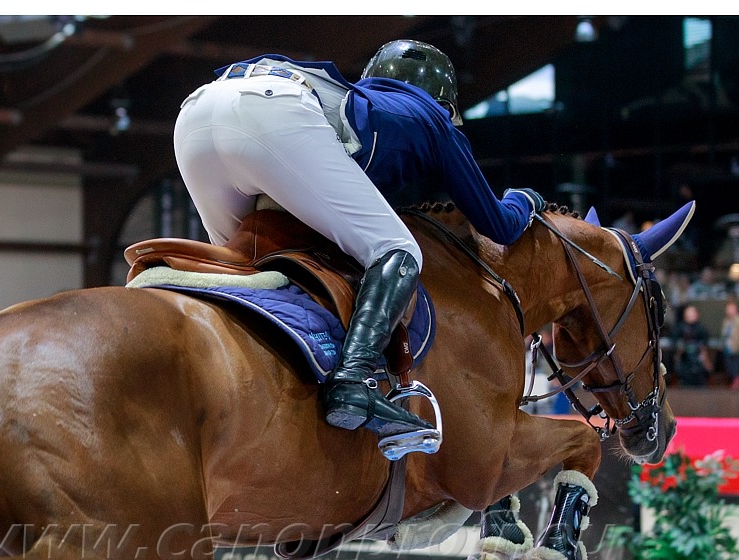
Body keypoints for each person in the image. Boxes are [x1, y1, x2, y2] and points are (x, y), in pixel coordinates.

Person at [173, 41, 544, 447]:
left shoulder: (361, 99)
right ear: (448, 105)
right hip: (275, 112)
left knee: (241, 267)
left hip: (196, 111)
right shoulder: (434, 117)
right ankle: (354, 379)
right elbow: (499, 226)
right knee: (397, 249)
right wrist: (526, 200)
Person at [671, 304, 712, 387]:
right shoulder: (679, 328)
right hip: (684, 360)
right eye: (689, 314)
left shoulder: (702, 328)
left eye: (692, 314)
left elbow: (705, 342)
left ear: (697, 315)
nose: (691, 316)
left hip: (698, 361)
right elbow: (674, 341)